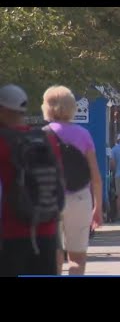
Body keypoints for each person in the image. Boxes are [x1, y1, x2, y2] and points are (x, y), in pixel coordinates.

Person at [0, 84, 62, 276]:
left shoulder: (3, 141)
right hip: (46, 231)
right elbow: (58, 182)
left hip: (9, 234)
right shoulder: (47, 139)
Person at [42, 85, 103, 275]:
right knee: (77, 259)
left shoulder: (42, 134)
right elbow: (95, 175)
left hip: (50, 199)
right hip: (79, 198)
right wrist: (98, 208)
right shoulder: (83, 134)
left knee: (54, 257)